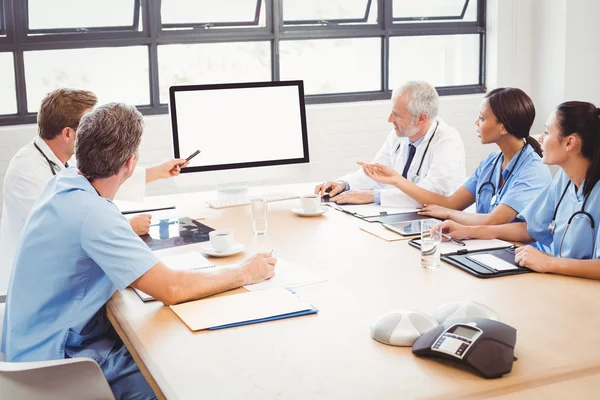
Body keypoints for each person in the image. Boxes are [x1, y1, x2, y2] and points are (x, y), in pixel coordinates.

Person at [1, 103, 277, 399]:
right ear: (130, 163)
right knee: (187, 376)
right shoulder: (94, 214)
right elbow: (171, 288)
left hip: (27, 349)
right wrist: (245, 272)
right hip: (60, 366)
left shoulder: (63, 183)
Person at [0, 89, 186, 294]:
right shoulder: (26, 171)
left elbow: (102, 177)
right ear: (68, 133)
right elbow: (64, 233)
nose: (94, 128)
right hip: (40, 282)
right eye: (88, 122)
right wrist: (126, 228)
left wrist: (158, 172)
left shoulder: (64, 156)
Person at [442, 101, 600, 279]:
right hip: (563, 281)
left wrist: (549, 262)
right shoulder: (564, 180)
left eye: (547, 132)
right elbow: (528, 228)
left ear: (569, 143)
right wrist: (469, 232)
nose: (539, 138)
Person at [359, 88, 552, 225]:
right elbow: (451, 203)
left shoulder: (533, 170)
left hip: (520, 256)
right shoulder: (490, 163)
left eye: (482, 118)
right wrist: (396, 180)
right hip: (488, 245)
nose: (476, 122)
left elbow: (495, 220)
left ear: (503, 126)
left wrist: (450, 215)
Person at [315, 80, 466, 207]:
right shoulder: (399, 135)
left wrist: (373, 196)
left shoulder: (447, 141)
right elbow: (376, 172)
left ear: (421, 119)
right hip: (406, 215)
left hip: (439, 224)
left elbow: (433, 194)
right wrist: (344, 184)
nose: (390, 119)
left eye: (397, 115)